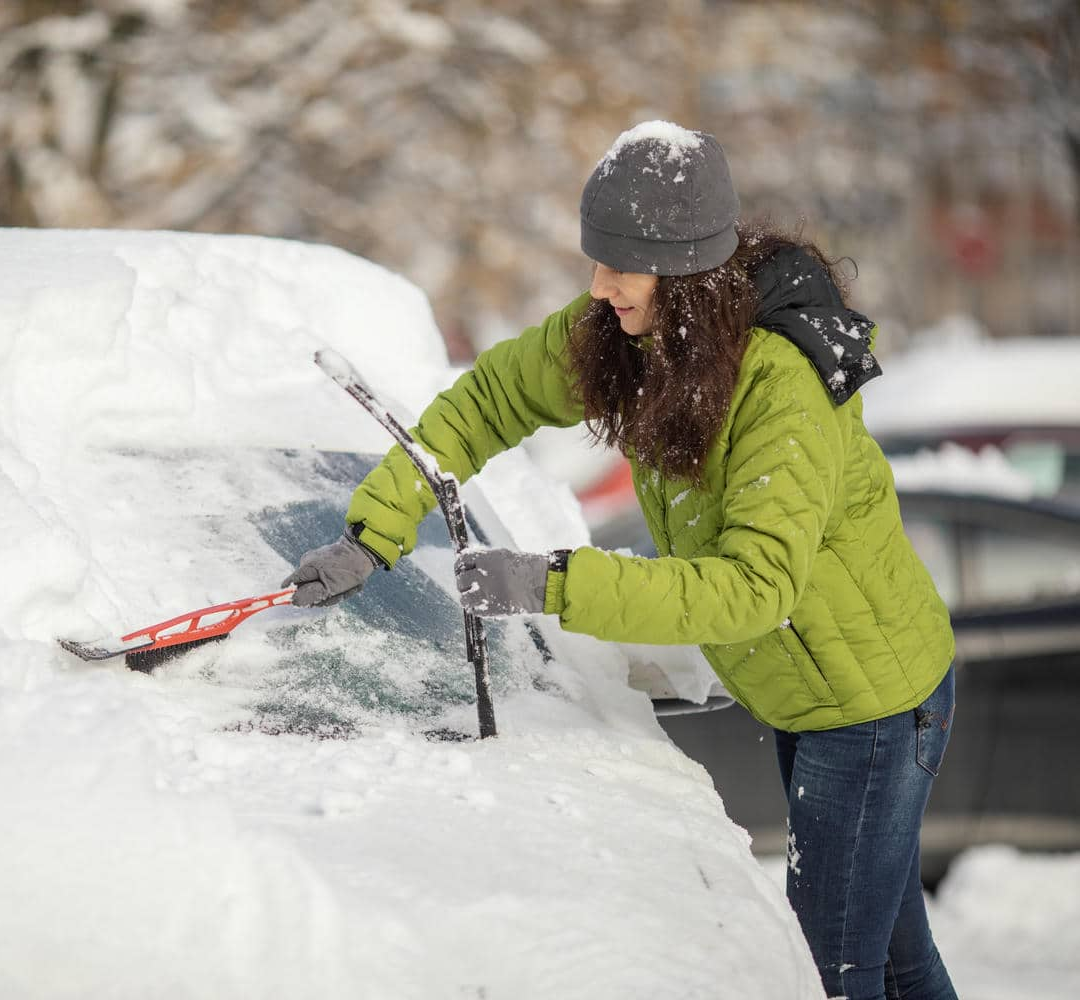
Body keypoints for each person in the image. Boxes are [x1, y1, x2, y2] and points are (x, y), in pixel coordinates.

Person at [283, 120, 959, 1000]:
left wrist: (552, 582)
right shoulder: (624, 337)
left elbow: (755, 586)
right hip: (816, 695)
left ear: (687, 273)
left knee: (833, 974)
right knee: (897, 965)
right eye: (595, 260)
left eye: (622, 265)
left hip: (871, 709)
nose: (599, 286)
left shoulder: (777, 386)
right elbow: (488, 401)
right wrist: (376, 526)